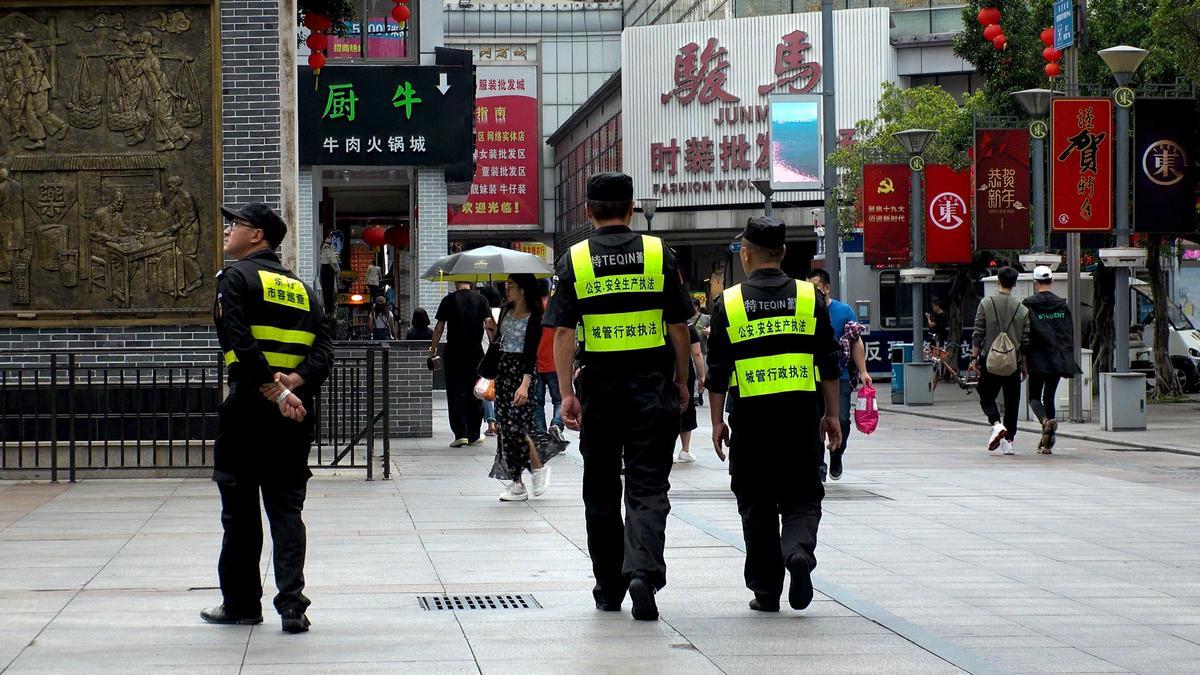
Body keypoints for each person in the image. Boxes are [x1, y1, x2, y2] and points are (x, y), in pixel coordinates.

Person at [545, 172, 692, 622]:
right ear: (631, 209)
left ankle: (609, 587)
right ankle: (643, 573)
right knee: (648, 486)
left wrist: (567, 392)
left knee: (602, 490)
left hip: (600, 389)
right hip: (651, 385)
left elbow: (564, 332)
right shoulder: (657, 253)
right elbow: (680, 328)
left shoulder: (575, 260)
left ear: (589, 212)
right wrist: (682, 380)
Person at [202, 202, 332, 634]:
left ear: (256, 235)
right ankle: (292, 604)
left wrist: (274, 390)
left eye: (234, 224)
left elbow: (237, 342)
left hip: (248, 414)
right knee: (287, 511)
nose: (227, 230)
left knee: (239, 513)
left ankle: (241, 605)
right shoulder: (303, 290)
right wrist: (294, 383)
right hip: (293, 417)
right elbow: (324, 352)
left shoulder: (234, 279)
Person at [706, 217, 842, 613]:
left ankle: (766, 590)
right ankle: (798, 550)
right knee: (803, 497)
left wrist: (717, 422)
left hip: (751, 424)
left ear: (745, 254)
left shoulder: (728, 303)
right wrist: (831, 415)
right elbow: (829, 364)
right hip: (801, 420)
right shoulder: (809, 298)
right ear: (782, 253)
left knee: (756, 504)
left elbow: (717, 372)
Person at [491, 274, 570, 500]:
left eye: (511, 285)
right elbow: (500, 343)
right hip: (504, 371)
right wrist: (492, 331)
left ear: (523, 289)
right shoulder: (506, 310)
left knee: (518, 427)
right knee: (505, 430)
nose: (507, 289)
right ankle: (517, 483)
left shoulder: (535, 316)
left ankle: (538, 467)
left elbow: (530, 353)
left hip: (522, 373)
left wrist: (525, 384)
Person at [805, 269, 871, 481]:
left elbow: (856, 341)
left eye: (815, 288)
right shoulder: (803, 311)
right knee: (814, 422)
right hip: (810, 378)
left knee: (841, 419)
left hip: (839, 377)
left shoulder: (843, 311)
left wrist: (863, 371)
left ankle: (836, 453)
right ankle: (818, 464)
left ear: (826, 288)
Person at [971, 266, 1030, 454]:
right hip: (1013, 362)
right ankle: (1009, 442)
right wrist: (1024, 365)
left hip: (990, 359)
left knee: (985, 394)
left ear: (998, 282)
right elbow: (1025, 340)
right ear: (1014, 284)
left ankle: (996, 423)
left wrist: (974, 357)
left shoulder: (986, 304)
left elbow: (978, 332)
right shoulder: (1022, 309)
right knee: (1012, 401)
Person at [1022, 266, 1081, 454]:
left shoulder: (1028, 304)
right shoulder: (1062, 305)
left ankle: (1045, 422)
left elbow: (1025, 333)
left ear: (1035, 282)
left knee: (1033, 397)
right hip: (1057, 358)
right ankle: (1047, 445)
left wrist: (1022, 356)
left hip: (1037, 357)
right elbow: (1068, 333)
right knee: (1049, 397)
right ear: (1052, 281)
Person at [429, 282, 491, 447]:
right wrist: (494, 347)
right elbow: (489, 325)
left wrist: (433, 349)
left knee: (456, 391)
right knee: (475, 391)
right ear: (470, 283)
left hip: (454, 351)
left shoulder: (448, 300)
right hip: (475, 352)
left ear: (456, 283)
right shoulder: (482, 299)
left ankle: (460, 434)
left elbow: (439, 327)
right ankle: (474, 434)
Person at [531, 289, 565, 439]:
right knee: (559, 399)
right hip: (555, 362)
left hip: (536, 363)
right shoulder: (557, 310)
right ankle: (556, 424)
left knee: (537, 402)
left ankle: (540, 433)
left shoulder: (533, 311)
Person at [675, 315, 704, 464]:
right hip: (685, 373)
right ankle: (685, 450)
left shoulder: (665, 327)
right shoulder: (689, 329)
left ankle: (668, 448)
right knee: (686, 408)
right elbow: (697, 354)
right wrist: (702, 376)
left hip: (664, 372)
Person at [319, 235, 340, 312]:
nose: (331, 239)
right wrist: (335, 269)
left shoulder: (328, 247)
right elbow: (329, 258)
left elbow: (333, 257)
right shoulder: (326, 247)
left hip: (327, 269)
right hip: (327, 268)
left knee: (329, 291)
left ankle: (329, 310)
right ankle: (328, 310)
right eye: (330, 238)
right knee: (328, 291)